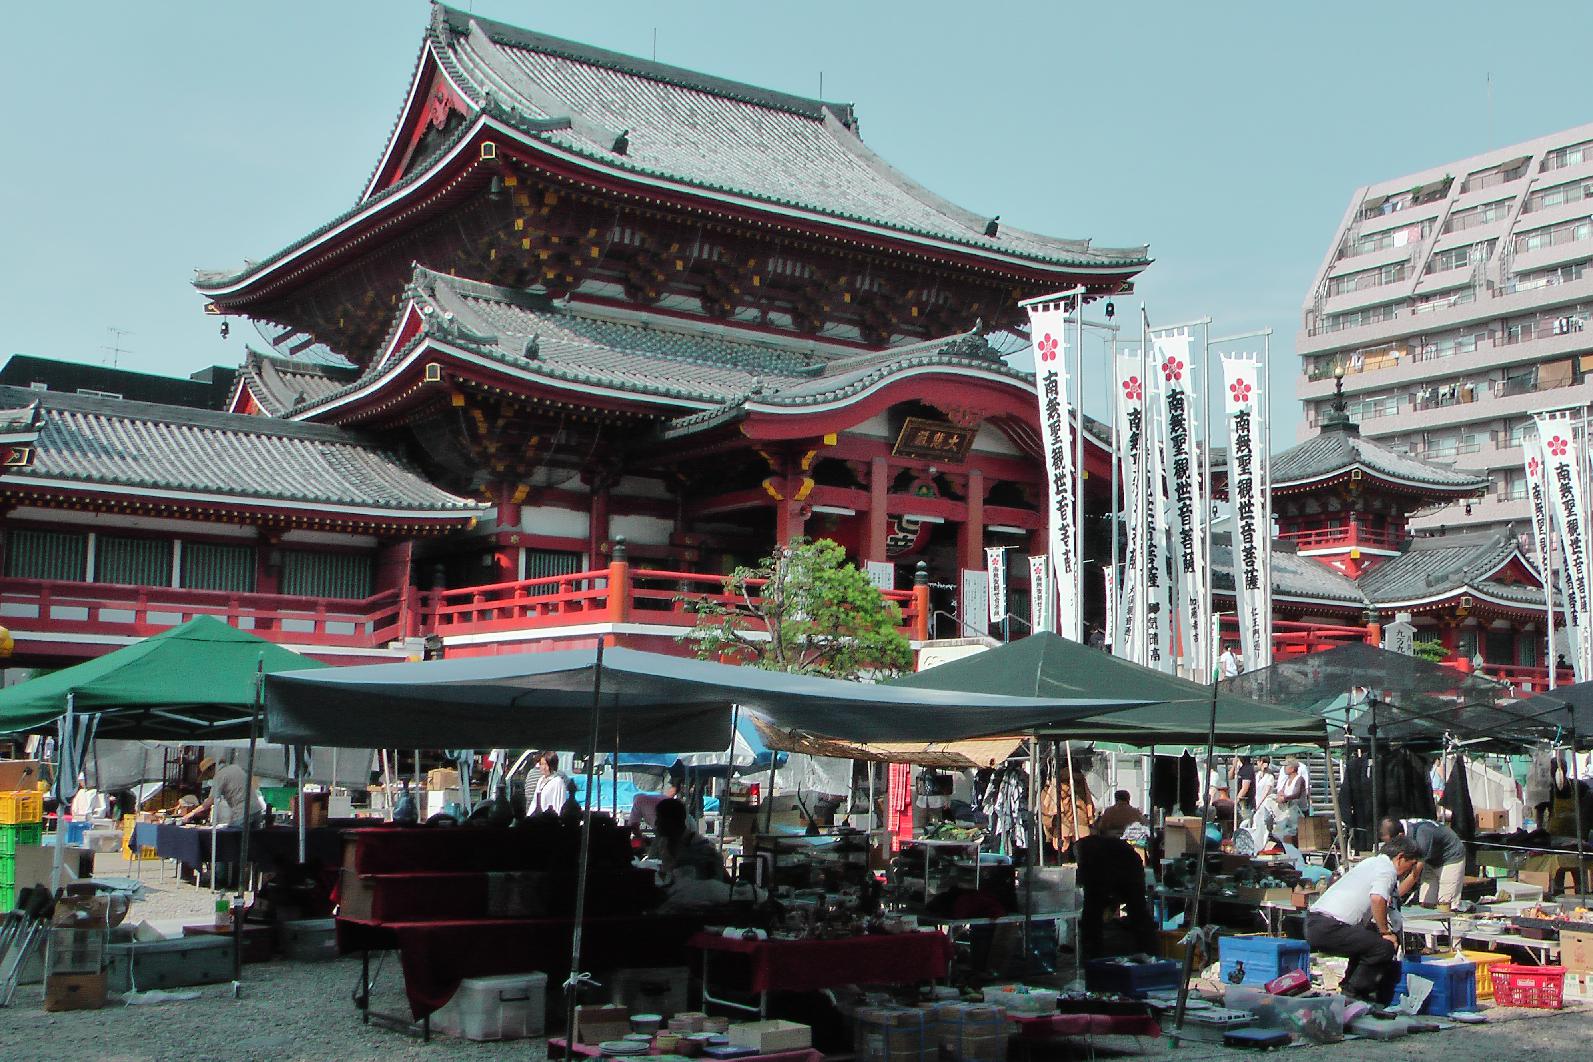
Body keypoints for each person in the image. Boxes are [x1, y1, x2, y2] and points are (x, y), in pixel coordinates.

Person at [1305, 839, 1423, 1004]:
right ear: (1400, 857)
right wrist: (1385, 932)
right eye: (1410, 865)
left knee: (1368, 941)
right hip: (1328, 927)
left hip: (1316, 922)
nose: (1408, 871)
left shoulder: (1371, 863)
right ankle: (1354, 993)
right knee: (1383, 947)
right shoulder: (1386, 870)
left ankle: (1349, 987)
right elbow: (1377, 899)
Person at [1074, 825, 1157, 959]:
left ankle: (1092, 955)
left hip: (1118, 862)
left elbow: (1097, 896)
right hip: (1123, 862)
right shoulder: (1088, 850)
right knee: (1137, 911)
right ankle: (1149, 951)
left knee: (1093, 912)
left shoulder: (1087, 851)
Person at [1379, 817, 1466, 907]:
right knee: (1426, 904)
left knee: (1445, 904)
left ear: (1400, 835)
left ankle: (1464, 907)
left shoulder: (1422, 836)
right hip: (1431, 858)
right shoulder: (1400, 827)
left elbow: (1414, 875)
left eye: (1391, 843)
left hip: (1451, 857)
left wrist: (1391, 898)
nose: (1390, 846)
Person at [647, 797, 727, 882]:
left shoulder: (701, 847)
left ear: (671, 821)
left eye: (659, 818)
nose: (656, 823)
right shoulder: (664, 842)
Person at [179, 757, 262, 827]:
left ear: (210, 769)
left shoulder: (219, 776)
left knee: (234, 839)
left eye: (208, 775)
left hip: (242, 812)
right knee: (253, 841)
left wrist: (191, 814)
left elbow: (210, 801)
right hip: (256, 809)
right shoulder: (235, 767)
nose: (210, 777)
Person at [525, 751, 571, 817]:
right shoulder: (541, 780)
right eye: (541, 764)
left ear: (552, 765)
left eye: (545, 764)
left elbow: (559, 805)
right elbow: (534, 802)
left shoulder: (558, 781)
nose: (543, 767)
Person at [1273, 759, 1308, 844]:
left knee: (1296, 839)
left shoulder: (1299, 779)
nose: (1284, 768)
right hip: (1289, 812)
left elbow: (1296, 794)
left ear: (1292, 768)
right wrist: (1280, 794)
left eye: (1286, 766)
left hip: (1300, 812)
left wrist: (1285, 798)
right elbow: (1283, 790)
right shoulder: (1287, 780)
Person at [1232, 756, 1256, 820]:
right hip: (1241, 803)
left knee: (1245, 822)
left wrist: (1235, 801)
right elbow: (1230, 777)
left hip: (1246, 803)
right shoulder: (1241, 768)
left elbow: (1245, 788)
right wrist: (1234, 766)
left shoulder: (1248, 769)